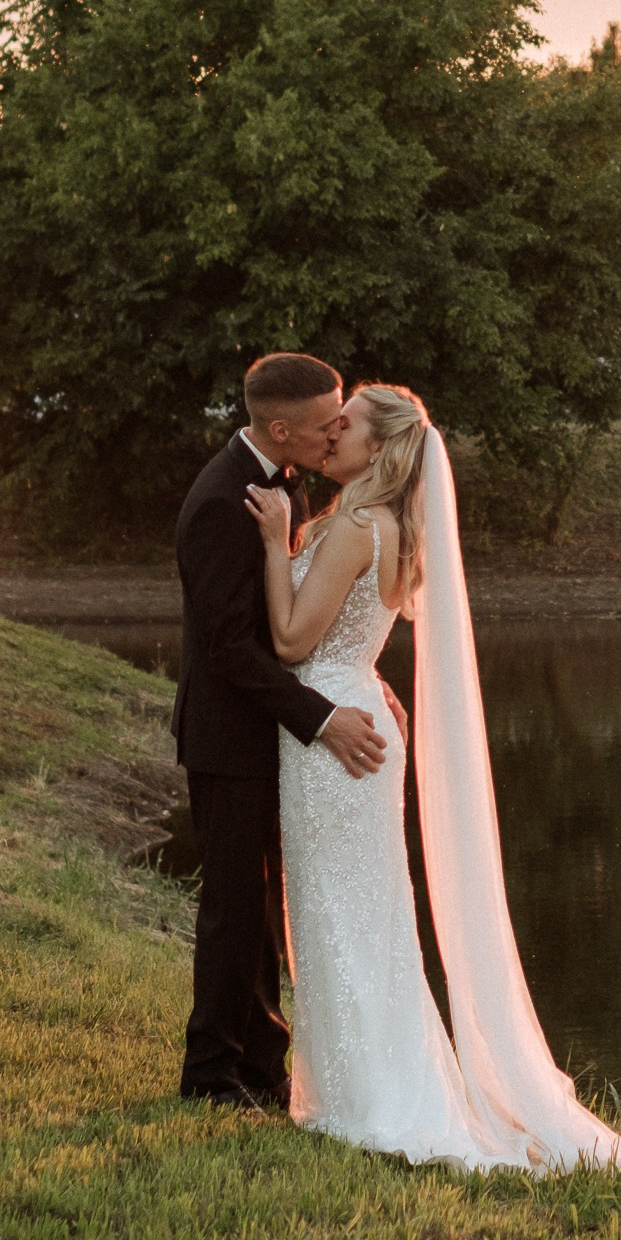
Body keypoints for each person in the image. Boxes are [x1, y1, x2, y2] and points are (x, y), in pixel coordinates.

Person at [247, 380, 621, 1188]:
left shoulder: (353, 526)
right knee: (367, 914)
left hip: (328, 735)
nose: (329, 435)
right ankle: (362, 1087)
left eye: (344, 427)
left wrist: (278, 542)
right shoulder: (393, 529)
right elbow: (349, 640)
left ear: (379, 449)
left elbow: (287, 641)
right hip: (355, 712)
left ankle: (364, 1099)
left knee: (342, 914)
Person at [172, 351, 388, 1108]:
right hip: (230, 739)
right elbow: (228, 648)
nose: (337, 430)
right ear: (279, 426)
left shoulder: (284, 484)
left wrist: (359, 676)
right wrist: (323, 717)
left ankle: (262, 1069)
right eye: (329, 420)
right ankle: (209, 1079)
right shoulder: (220, 501)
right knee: (234, 910)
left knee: (263, 911)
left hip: (271, 734)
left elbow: (294, 619)